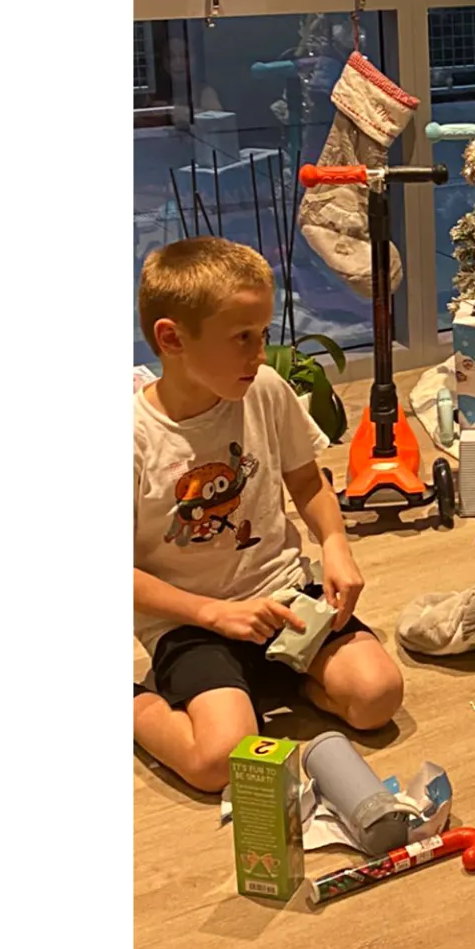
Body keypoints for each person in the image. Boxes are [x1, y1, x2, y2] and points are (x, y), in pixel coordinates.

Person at [132, 237, 404, 792]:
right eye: (242, 338)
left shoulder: (265, 390)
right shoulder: (133, 438)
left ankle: (272, 678)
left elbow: (307, 482)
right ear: (172, 339)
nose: (259, 354)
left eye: (262, 334)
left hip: (281, 593)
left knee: (378, 696)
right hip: (191, 621)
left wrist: (335, 546)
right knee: (219, 764)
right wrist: (213, 614)